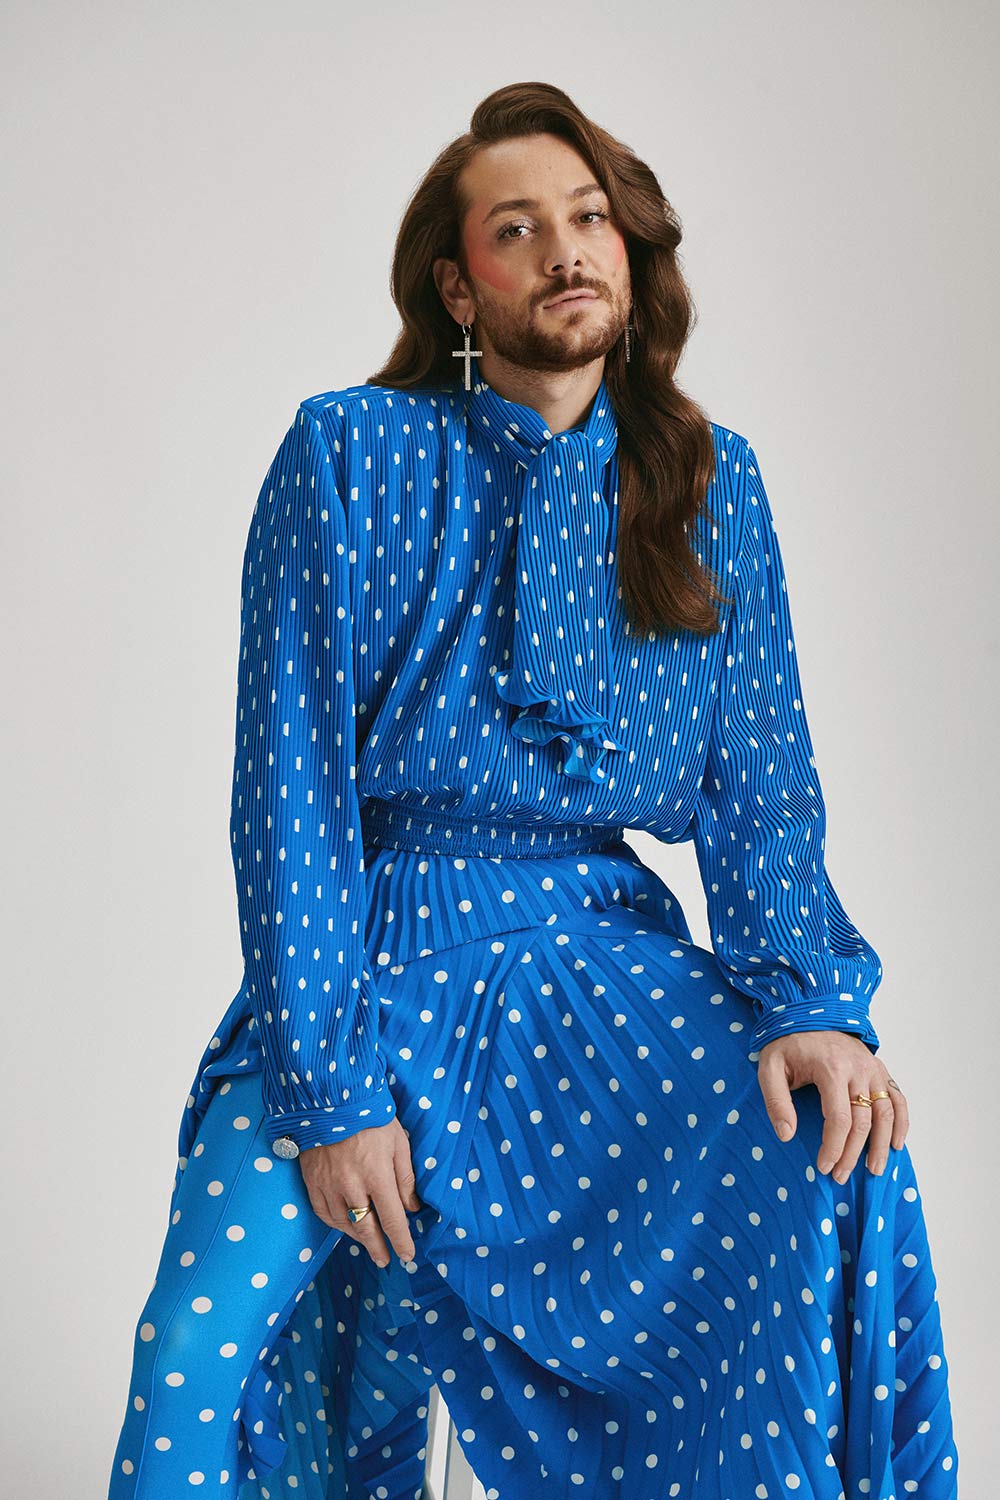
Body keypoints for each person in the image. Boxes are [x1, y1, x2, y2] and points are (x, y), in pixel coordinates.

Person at [108, 81, 959, 1500]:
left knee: (836, 1147)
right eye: (516, 228)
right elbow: (290, 794)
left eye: (589, 219)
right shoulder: (348, 454)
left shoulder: (709, 484)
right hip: (368, 960)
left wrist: (811, 1001)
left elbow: (760, 777)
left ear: (627, 249)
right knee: (198, 1352)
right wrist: (331, 1089)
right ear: (458, 286)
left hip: (597, 971)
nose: (565, 249)